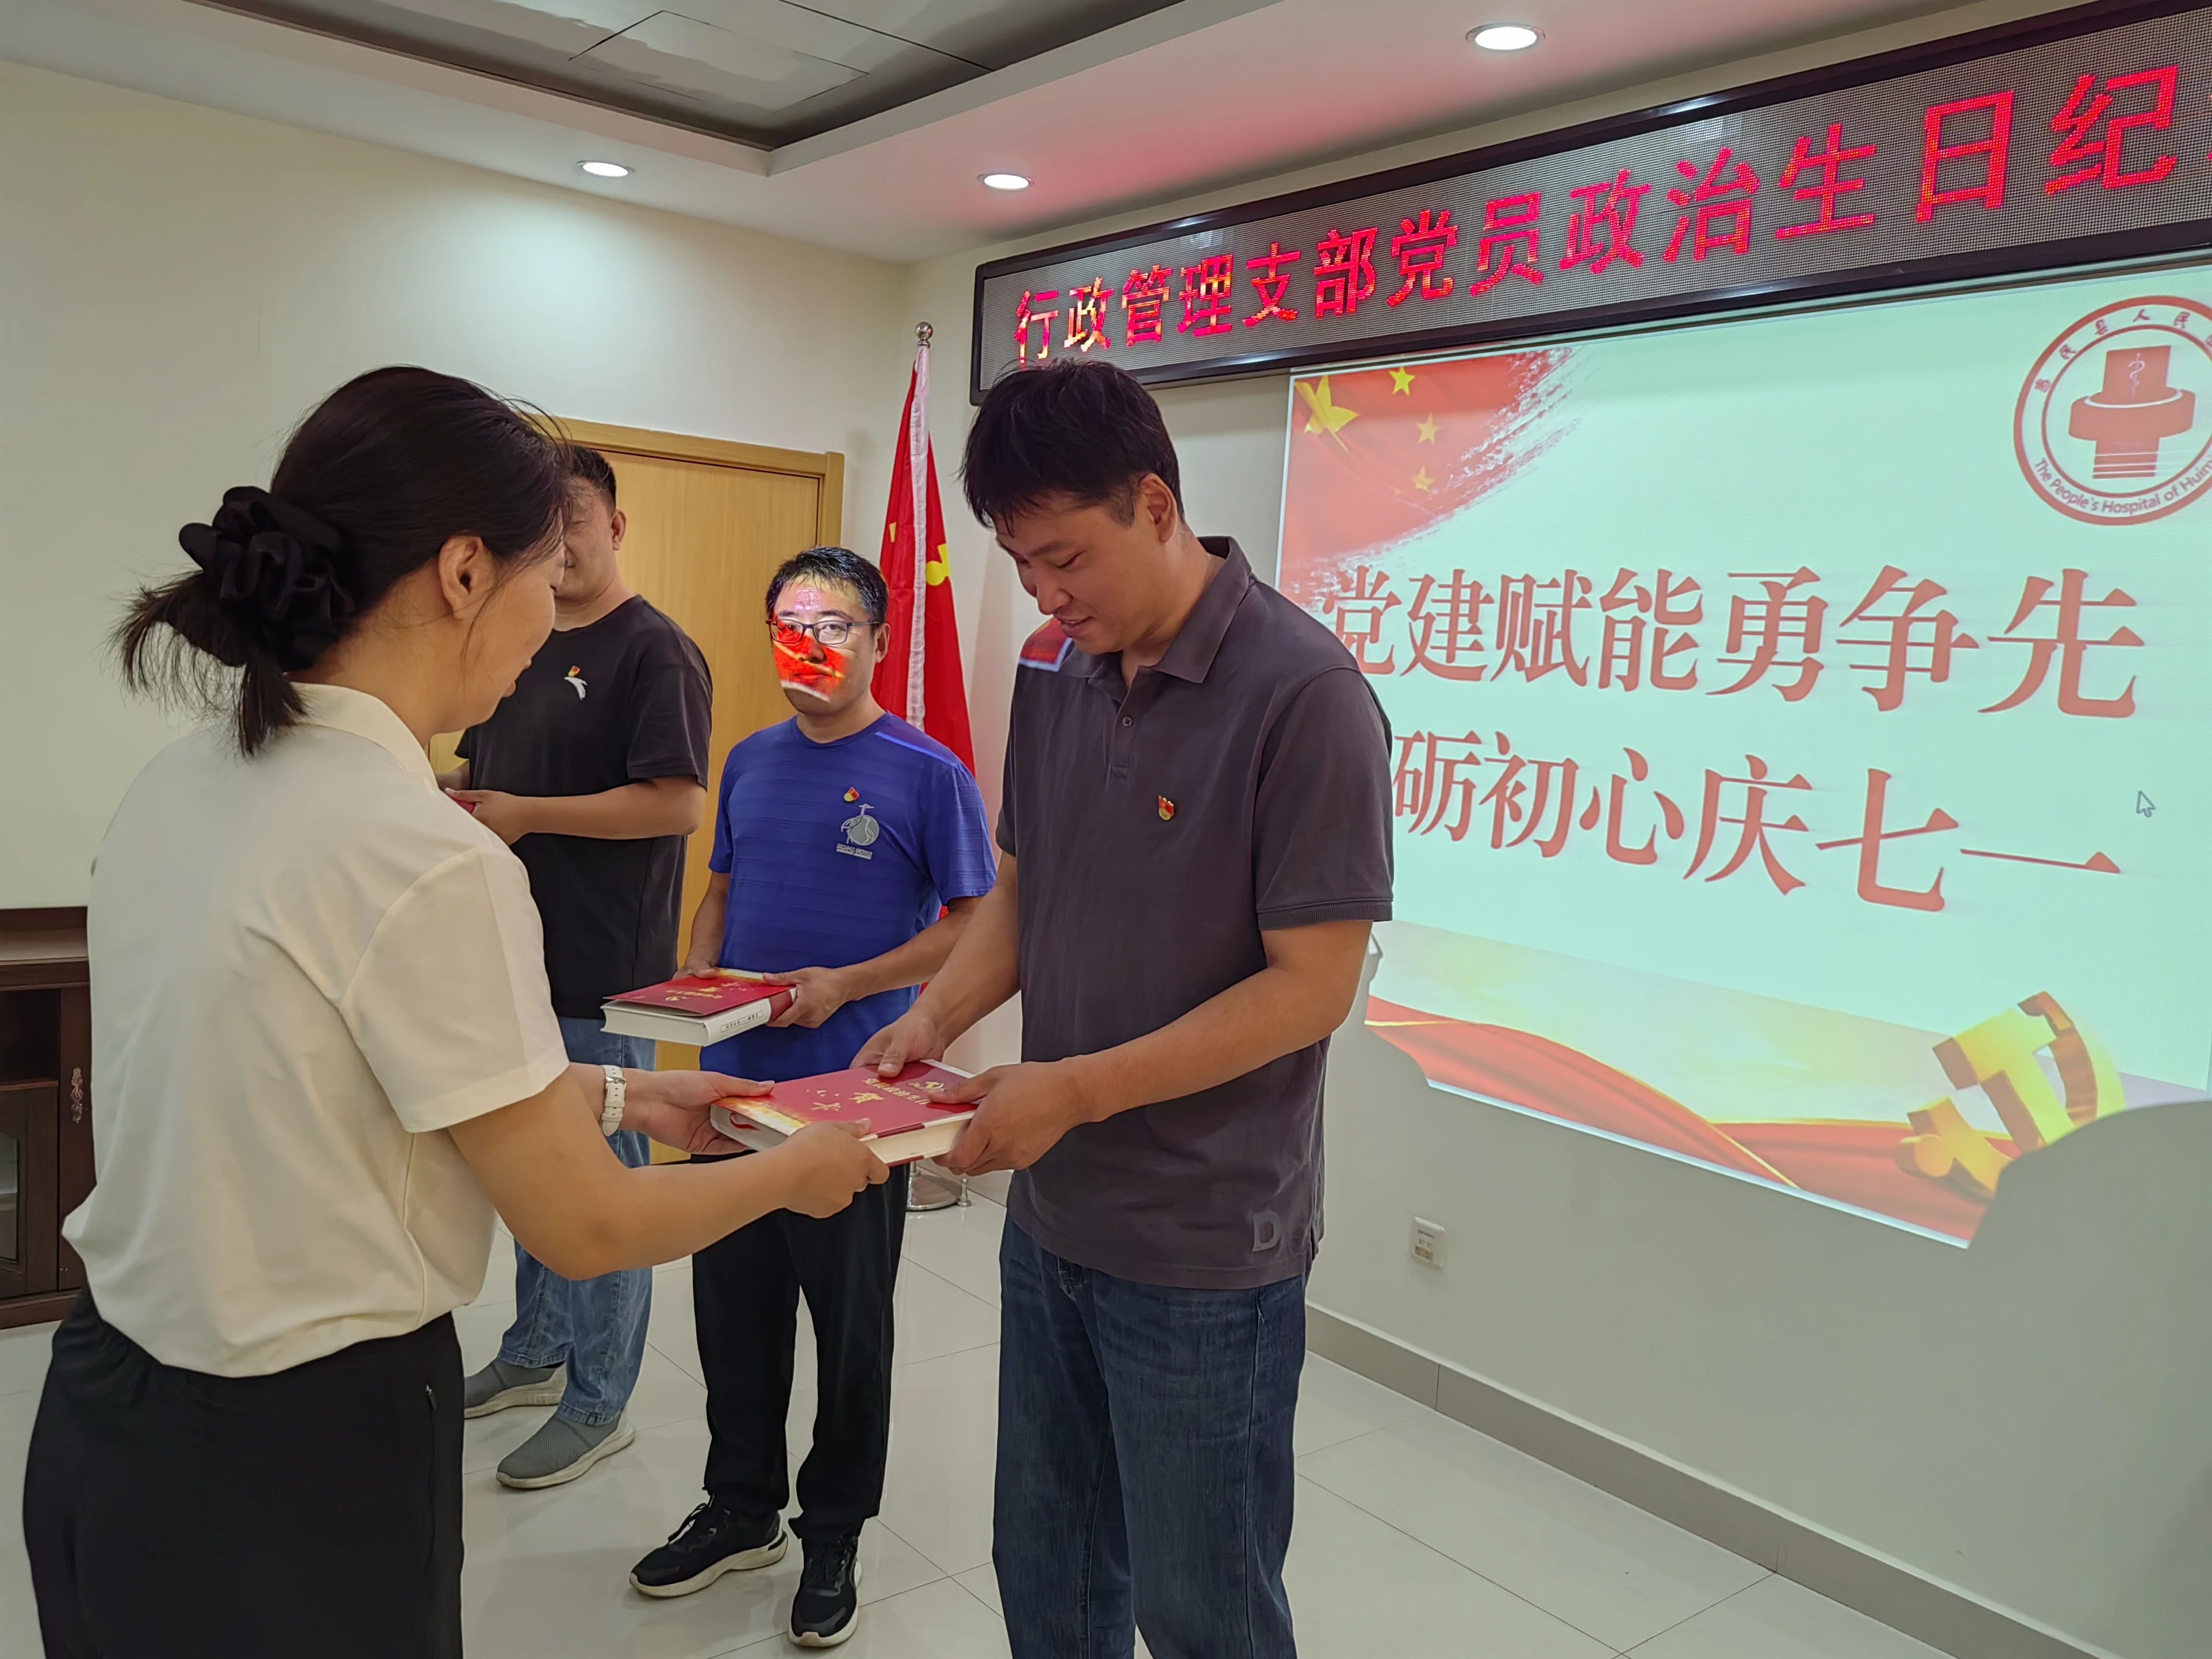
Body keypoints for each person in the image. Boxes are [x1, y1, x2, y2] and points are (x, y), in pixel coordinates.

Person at [23, 367, 887, 1659]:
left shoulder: (183, 780)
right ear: (466, 572)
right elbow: (585, 1226)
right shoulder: (421, 850)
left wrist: (624, 1093)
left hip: (104, 1412)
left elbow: (321, 1074)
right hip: (296, 1457)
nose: (554, 610)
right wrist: (797, 1172)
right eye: (547, 569)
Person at [859, 360, 1393, 1658]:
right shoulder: (1055, 665)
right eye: (1020, 565)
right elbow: (1021, 889)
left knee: (1202, 1606)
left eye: (1065, 559)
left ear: (1155, 505)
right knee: (1048, 1568)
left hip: (1205, 1243)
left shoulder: (1305, 695)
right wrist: (934, 1019)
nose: (1045, 595)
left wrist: (1079, 1089)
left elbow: (1312, 987)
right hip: (1053, 1216)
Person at [629, 546, 996, 1647]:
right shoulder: (748, 760)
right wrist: (700, 979)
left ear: (877, 640)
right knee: (733, 1318)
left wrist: (848, 984)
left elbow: (971, 928)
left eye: (836, 625)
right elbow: (720, 891)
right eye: (794, 625)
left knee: (850, 1332)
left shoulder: (927, 772)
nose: (814, 645)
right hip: (734, 1099)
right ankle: (740, 1508)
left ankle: (833, 1532)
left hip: (855, 1106)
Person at [440, 446, 713, 1489]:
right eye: (543, 529)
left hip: (608, 972)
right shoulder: (513, 639)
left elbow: (677, 803)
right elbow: (480, 767)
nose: (561, 547)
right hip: (512, 961)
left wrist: (526, 816)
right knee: (529, 1172)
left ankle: (600, 1401)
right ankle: (534, 1351)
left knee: (603, 1187)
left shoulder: (656, 652)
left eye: (578, 522)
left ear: (617, 527)